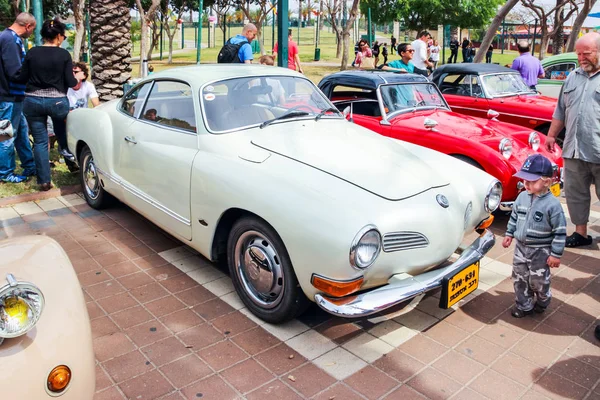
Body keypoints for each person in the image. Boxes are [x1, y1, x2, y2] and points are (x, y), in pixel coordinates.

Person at [545, 32, 600, 248]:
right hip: (574, 149)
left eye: (586, 53)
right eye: (578, 54)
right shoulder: (572, 77)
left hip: (597, 149)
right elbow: (560, 110)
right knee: (576, 194)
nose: (581, 58)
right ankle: (581, 233)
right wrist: (551, 135)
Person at [14, 18, 77, 191]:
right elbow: (71, 82)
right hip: (57, 102)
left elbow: (21, 77)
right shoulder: (63, 55)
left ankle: (43, 181)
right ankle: (72, 164)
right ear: (58, 36)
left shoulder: (33, 52)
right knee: (63, 134)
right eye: (63, 36)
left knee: (41, 142)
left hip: (32, 101)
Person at [502, 154, 566, 318]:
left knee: (538, 281)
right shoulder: (522, 197)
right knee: (519, 277)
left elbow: (559, 231)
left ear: (546, 182)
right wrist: (509, 234)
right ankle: (524, 305)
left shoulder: (552, 205)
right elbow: (514, 217)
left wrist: (555, 254)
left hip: (541, 251)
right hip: (521, 248)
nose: (527, 184)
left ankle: (543, 299)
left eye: (532, 181)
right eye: (525, 180)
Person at [0, 12, 36, 184]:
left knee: (21, 131)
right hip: (7, 96)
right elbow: (14, 71)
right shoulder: (10, 40)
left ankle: (29, 165)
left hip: (16, 96)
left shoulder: (12, 38)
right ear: (27, 26)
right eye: (32, 29)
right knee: (6, 134)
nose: (32, 33)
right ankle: (5, 172)